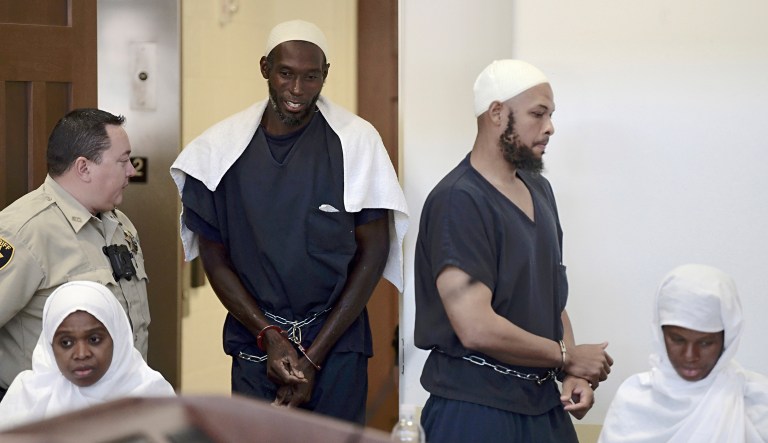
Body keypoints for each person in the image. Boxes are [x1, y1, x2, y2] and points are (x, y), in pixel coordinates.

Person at [170, 19, 408, 424]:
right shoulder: (219, 151)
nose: (297, 90)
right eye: (286, 74)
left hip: (337, 345)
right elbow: (214, 258)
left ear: (325, 75)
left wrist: (313, 358)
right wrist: (269, 336)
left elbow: (374, 252)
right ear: (265, 68)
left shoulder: (356, 142)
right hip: (256, 343)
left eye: (311, 76)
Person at [414, 59, 614, 442]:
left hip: (542, 406)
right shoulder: (459, 200)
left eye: (551, 115)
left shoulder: (540, 189)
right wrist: (567, 356)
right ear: (496, 113)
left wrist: (571, 374)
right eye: (538, 114)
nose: (550, 126)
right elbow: (475, 327)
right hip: (474, 411)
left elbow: (551, 299)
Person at [0, 109, 150, 403]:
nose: (132, 170)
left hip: (119, 410)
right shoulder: (24, 232)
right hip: (48, 419)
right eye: (122, 161)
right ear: (84, 168)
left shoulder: (121, 226)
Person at [598, 264, 768, 442]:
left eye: (705, 343)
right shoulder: (634, 399)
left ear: (727, 339)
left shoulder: (757, 401)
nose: (690, 356)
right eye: (678, 340)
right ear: (660, 334)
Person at [0, 281, 174, 430]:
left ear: (117, 338)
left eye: (94, 339)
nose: (81, 354)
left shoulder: (152, 396)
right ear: (49, 346)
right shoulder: (28, 397)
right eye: (66, 343)